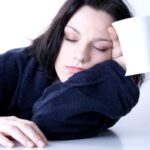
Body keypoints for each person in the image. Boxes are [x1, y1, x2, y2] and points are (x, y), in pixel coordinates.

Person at [0, 0, 144, 148]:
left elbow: (47, 120)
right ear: (56, 35)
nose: (80, 55)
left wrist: (119, 67)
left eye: (100, 47)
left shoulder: (109, 90)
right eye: (71, 38)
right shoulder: (14, 64)